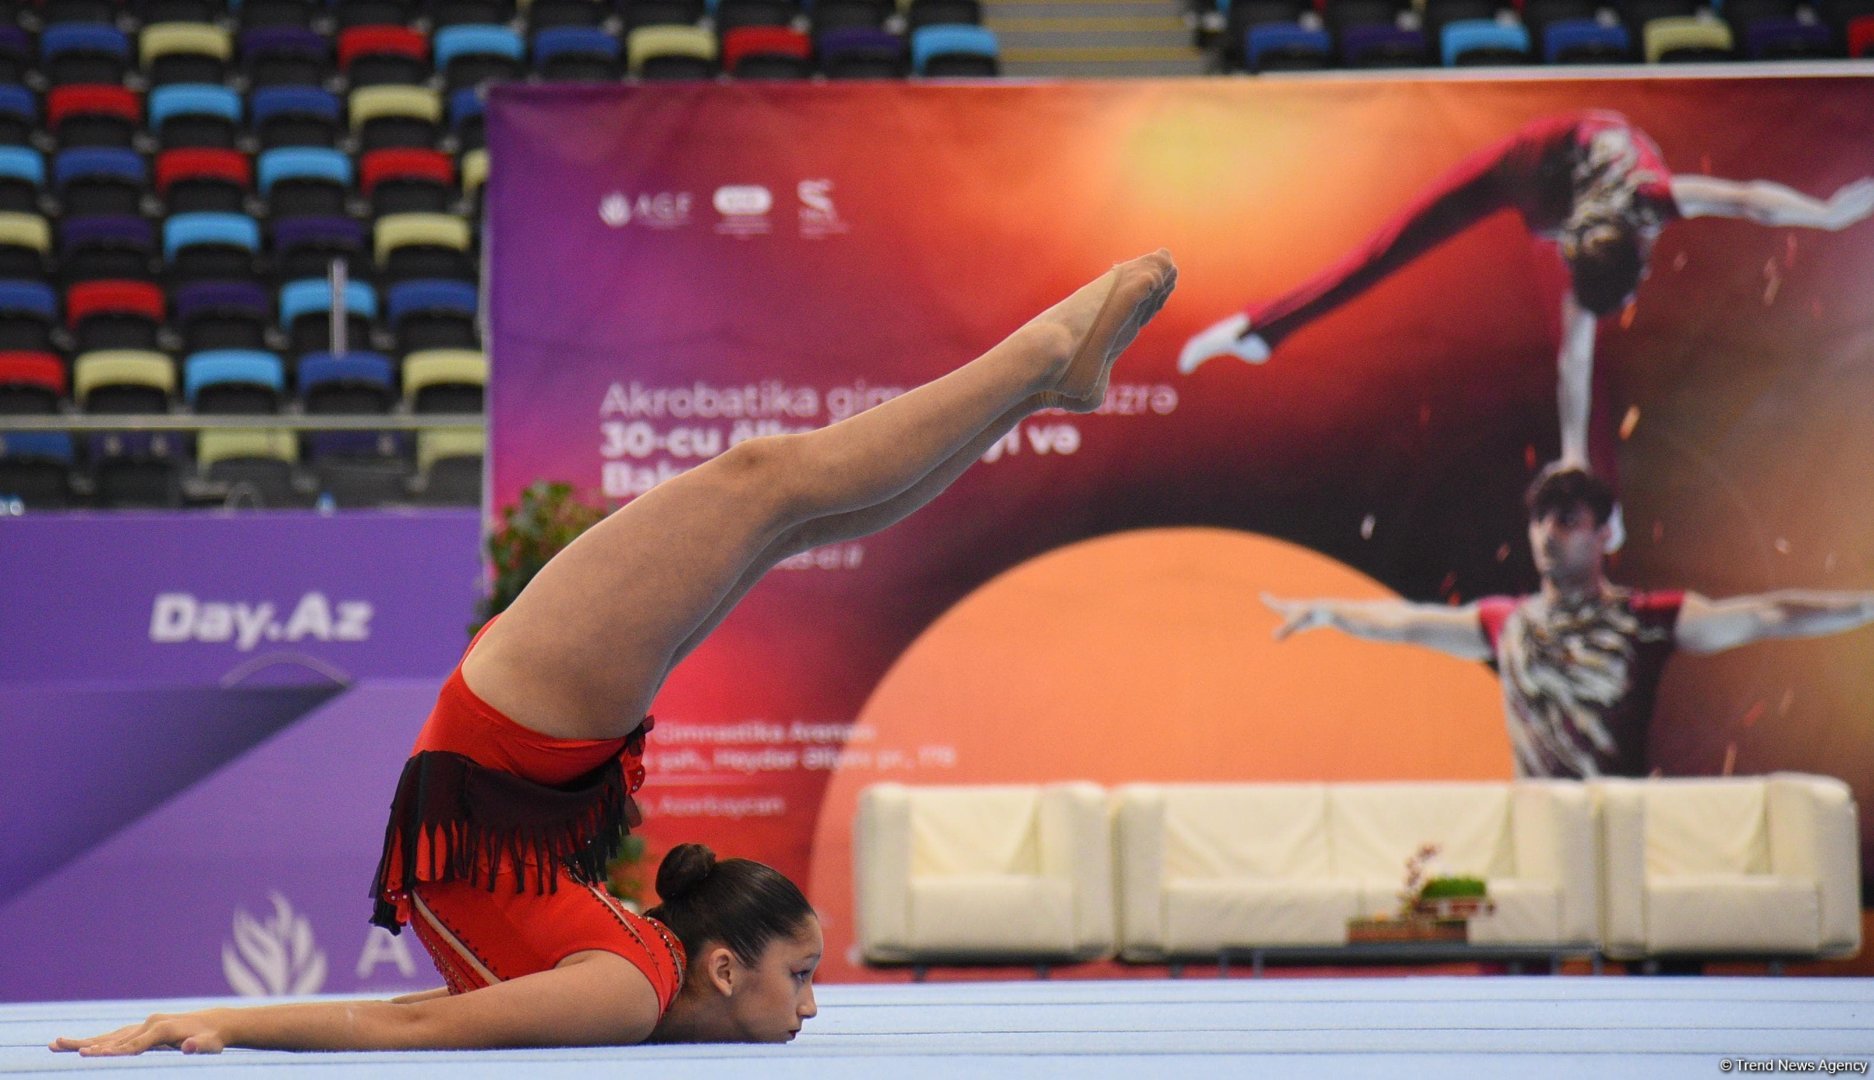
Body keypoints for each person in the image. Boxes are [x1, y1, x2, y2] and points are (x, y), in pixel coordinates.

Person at [50, 249, 1181, 1057]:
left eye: (802, 977)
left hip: (520, 727)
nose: (812, 1008)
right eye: (808, 978)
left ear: (723, 970)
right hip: (538, 746)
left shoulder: (626, 994)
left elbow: (413, 1025)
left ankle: (1040, 360)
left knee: (765, 490)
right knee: (781, 511)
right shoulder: (634, 976)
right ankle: (1036, 379)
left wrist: (203, 1020)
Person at [1178, 110, 1874, 475]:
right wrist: (1825, 212)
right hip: (1527, 168)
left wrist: (1827, 211)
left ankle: (1589, 472)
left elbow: (1755, 201)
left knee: (1575, 354)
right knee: (1388, 249)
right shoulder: (1656, 199)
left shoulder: (1649, 201)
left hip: (1558, 199)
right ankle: (1258, 331)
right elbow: (1751, 201)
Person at [1263, 466, 1874, 779]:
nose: (1547, 534)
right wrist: (1327, 612)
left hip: (1622, 826)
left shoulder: (1647, 619)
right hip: (1539, 834)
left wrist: (1864, 605)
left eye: (1566, 520)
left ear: (1604, 532)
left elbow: (1767, 615)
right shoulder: (1509, 624)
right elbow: (1406, 623)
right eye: (1539, 521)